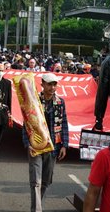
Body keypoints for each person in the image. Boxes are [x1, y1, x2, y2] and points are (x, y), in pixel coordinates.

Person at [22, 73, 69, 212]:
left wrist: (64, 145)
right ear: (42, 84)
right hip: (36, 144)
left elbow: (64, 123)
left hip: (53, 145)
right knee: (36, 180)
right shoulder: (33, 100)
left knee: (46, 181)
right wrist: (27, 143)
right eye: (49, 84)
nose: (52, 87)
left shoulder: (60, 102)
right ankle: (36, 209)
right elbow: (26, 123)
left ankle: (38, 205)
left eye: (54, 84)